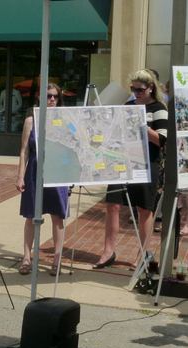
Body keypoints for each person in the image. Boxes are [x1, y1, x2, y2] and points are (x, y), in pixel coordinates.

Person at [94, 69, 167, 269]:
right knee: (113, 205)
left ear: (151, 88)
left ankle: (142, 254)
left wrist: (141, 124)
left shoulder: (159, 108)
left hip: (145, 163)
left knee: (144, 209)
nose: (136, 93)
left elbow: (162, 140)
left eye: (140, 89)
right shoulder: (128, 105)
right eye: (133, 89)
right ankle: (108, 251)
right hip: (121, 161)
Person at [16, 83, 68, 276]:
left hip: (57, 171)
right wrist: (20, 176)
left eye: (55, 96)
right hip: (35, 171)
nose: (52, 99)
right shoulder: (31, 120)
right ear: (39, 97)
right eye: (48, 96)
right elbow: (24, 151)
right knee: (31, 216)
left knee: (58, 217)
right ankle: (27, 257)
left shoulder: (64, 119)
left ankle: (57, 259)